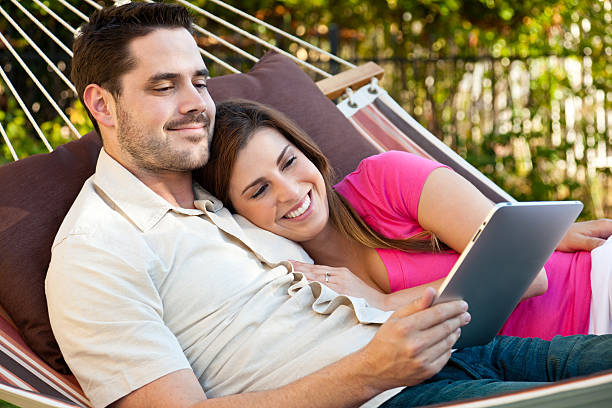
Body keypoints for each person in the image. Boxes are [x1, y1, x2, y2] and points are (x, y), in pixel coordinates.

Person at [45, 3, 612, 408]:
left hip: (466, 352)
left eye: (200, 80)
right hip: (393, 395)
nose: (197, 104)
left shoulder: (222, 204)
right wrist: (370, 372)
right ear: (102, 102)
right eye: (164, 85)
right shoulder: (96, 251)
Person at [198, 98, 612, 340]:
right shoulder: (288, 287)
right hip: (557, 361)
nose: (290, 191)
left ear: (307, 152)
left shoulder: (386, 179)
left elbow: (529, 273)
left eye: (289, 162)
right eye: (259, 190)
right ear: (239, 216)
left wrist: (385, 303)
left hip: (595, 290)